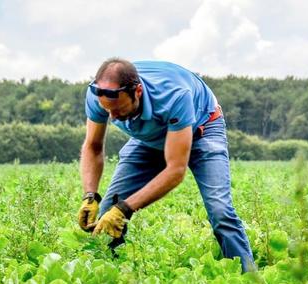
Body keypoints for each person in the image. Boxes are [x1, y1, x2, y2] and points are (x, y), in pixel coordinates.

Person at [77, 58, 256, 272]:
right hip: (150, 136)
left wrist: (125, 208)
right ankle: (114, 277)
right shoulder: (100, 96)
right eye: (108, 111)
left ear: (138, 92)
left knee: (220, 211)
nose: (114, 117)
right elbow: (93, 146)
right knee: (107, 213)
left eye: (120, 110)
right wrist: (90, 195)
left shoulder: (174, 95)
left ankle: (249, 279)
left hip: (202, 129)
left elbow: (175, 170)